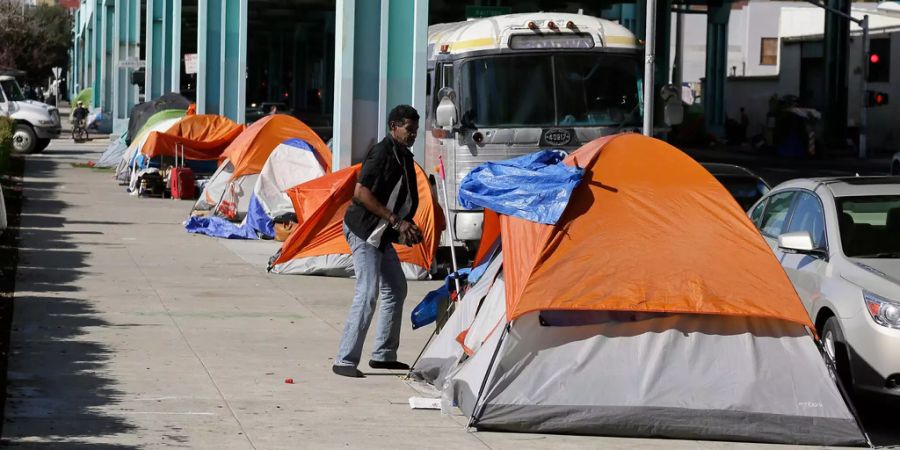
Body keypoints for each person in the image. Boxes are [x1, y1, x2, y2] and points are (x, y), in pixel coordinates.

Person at [333, 105, 421, 378]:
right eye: (409, 129)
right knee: (368, 291)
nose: (413, 134)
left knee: (396, 287)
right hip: (364, 231)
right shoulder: (381, 153)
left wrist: (406, 226)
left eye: (416, 130)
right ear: (394, 126)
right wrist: (396, 221)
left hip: (381, 234)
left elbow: (401, 198)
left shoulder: (403, 155)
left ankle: (383, 355)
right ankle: (344, 360)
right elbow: (361, 193)